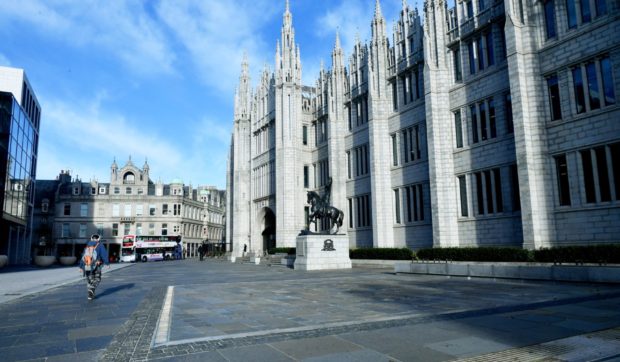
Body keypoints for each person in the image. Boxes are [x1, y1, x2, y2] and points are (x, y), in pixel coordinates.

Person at [79, 234, 109, 300]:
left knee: (90, 280)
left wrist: (81, 267)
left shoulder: (87, 245)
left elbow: (83, 256)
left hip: (87, 265)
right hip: (96, 265)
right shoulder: (100, 245)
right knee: (97, 279)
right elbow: (104, 254)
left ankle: (90, 295)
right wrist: (107, 263)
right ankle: (92, 289)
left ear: (91, 238)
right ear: (98, 239)